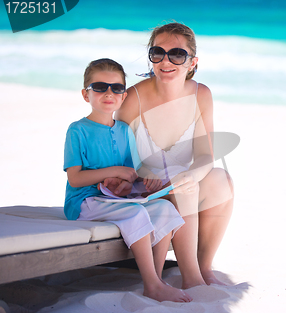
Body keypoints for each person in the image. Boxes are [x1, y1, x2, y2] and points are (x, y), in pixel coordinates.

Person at [115, 22, 234, 289]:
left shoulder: (201, 95)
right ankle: (190, 276)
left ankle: (204, 267)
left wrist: (193, 174)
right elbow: (118, 157)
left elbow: (206, 155)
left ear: (192, 62)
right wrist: (147, 178)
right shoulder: (133, 97)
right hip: (142, 187)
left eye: (177, 54)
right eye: (158, 53)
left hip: (181, 182)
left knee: (221, 180)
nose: (166, 61)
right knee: (184, 187)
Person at [63, 58, 192, 303]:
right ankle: (152, 284)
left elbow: (130, 175)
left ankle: (155, 276)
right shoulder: (77, 130)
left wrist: (131, 183)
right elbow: (75, 178)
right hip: (84, 202)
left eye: (117, 88)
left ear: (123, 96)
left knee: (164, 207)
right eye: (99, 87)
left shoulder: (123, 130)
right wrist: (113, 171)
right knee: (135, 214)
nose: (108, 93)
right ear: (85, 94)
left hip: (112, 201)